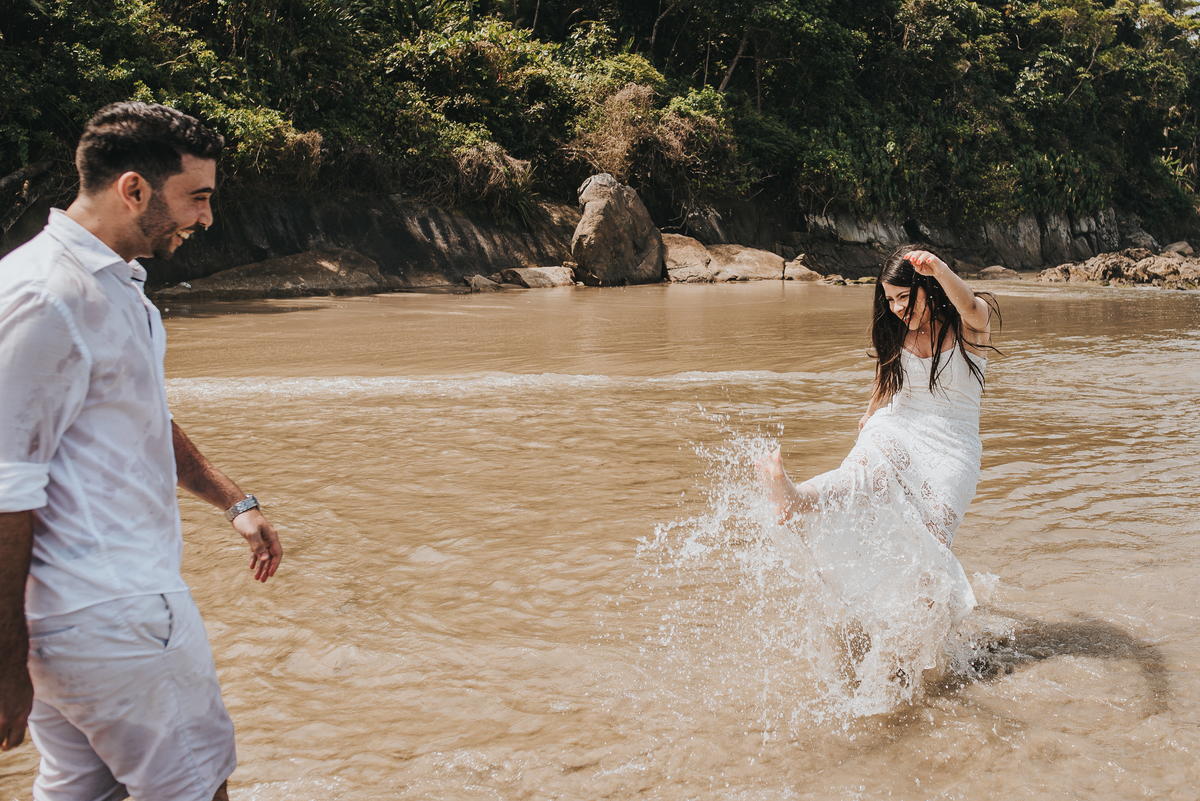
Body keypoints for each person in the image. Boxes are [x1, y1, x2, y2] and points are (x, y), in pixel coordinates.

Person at [0, 102, 283, 801]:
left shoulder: (111, 286)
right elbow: (5, 483)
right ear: (134, 189)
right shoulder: (48, 297)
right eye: (197, 198)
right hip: (115, 618)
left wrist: (232, 500)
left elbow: (139, 416)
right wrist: (4, 652)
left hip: (78, 628)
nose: (206, 219)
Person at [756, 245, 998, 688]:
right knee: (862, 474)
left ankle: (905, 646)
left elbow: (971, 305)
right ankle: (795, 496)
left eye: (905, 297)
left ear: (928, 288)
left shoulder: (968, 328)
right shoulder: (897, 332)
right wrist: (871, 414)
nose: (897, 308)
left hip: (953, 449)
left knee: (931, 545)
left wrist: (939, 267)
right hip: (901, 424)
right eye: (889, 299)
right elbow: (887, 379)